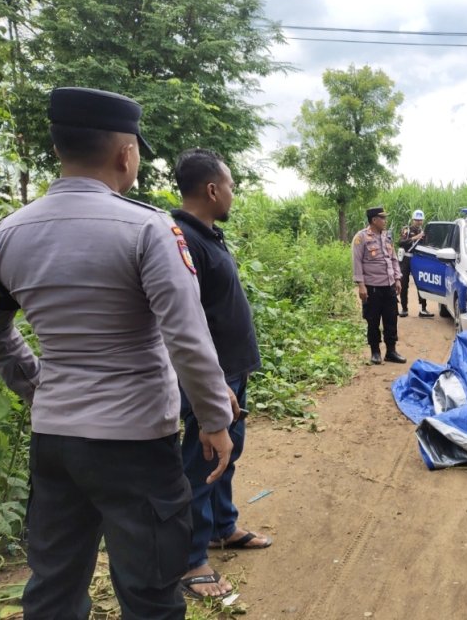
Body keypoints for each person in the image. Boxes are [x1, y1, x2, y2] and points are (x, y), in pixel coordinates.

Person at [0, 87, 235, 619]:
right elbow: (186, 336)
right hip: (135, 443)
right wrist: (216, 418)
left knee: (53, 585)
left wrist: (37, 384)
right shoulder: (147, 228)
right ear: (126, 153)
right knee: (150, 589)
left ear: (60, 149)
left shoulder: (5, 234)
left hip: (55, 439)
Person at [171, 148, 271, 600]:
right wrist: (212, 385)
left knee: (227, 456)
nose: (233, 193)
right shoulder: (182, 240)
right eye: (230, 185)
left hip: (231, 372)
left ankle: (222, 528)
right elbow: (185, 323)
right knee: (202, 462)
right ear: (212, 189)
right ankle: (192, 561)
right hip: (213, 377)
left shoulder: (207, 234)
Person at [352, 206, 406, 365]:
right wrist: (361, 285)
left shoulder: (386, 237)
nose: (385, 221)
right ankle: (375, 352)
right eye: (382, 218)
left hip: (388, 287)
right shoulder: (361, 238)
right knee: (373, 320)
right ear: (374, 220)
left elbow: (394, 259)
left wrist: (397, 279)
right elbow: (357, 262)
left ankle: (391, 351)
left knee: (391, 319)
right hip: (372, 288)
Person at [397, 209, 433, 318]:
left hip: (418, 260)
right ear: (413, 220)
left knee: (421, 284)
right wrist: (414, 238)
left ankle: (423, 309)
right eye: (417, 220)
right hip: (406, 260)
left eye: (420, 220)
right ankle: (404, 309)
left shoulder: (424, 231)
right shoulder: (406, 230)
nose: (418, 222)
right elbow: (400, 242)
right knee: (404, 284)